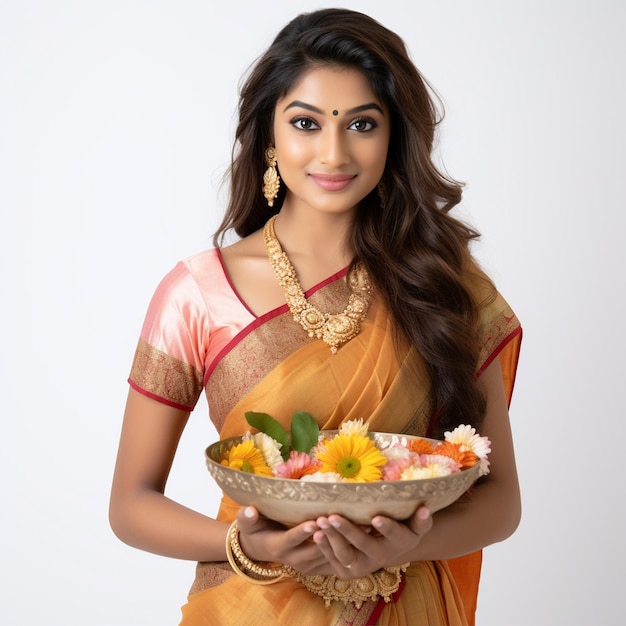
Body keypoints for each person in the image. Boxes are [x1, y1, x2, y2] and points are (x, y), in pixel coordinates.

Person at [109, 8, 522, 625]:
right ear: (270, 135)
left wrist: (412, 542)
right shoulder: (198, 292)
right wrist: (243, 546)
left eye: (362, 124)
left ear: (395, 138)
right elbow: (131, 503)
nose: (333, 152)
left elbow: (501, 502)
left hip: (404, 605)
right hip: (249, 607)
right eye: (306, 122)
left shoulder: (445, 285)